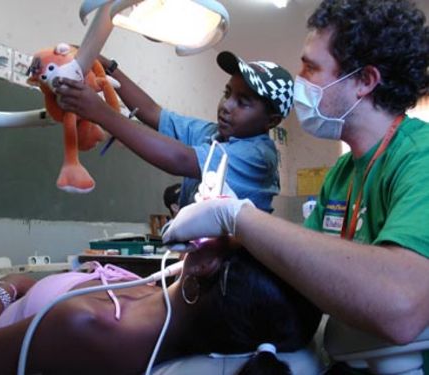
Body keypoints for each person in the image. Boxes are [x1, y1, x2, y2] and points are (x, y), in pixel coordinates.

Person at [163, 0, 429, 373]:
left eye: (311, 67)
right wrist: (234, 246)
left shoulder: (421, 159)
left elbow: (400, 309)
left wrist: (239, 217)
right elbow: (305, 269)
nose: (299, 80)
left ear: (365, 81)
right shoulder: (342, 174)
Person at [0, 238, 321, 374]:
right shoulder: (169, 307)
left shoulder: (91, 324)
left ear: (204, 265)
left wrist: (6, 288)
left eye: (225, 239)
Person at [55, 51, 295, 213]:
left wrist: (101, 113)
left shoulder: (258, 155)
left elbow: (180, 159)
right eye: (227, 93)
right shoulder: (211, 134)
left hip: (239, 270)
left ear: (271, 121)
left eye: (243, 102)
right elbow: (151, 111)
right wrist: (108, 68)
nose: (226, 105)